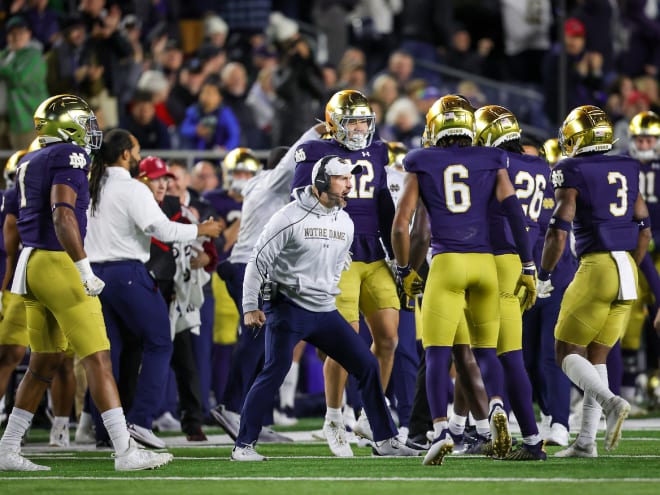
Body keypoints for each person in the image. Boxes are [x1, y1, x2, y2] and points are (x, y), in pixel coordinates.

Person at [0, 94, 172, 471]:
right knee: (98, 358)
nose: (93, 131)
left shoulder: (29, 159)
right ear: (69, 126)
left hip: (32, 264)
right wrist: (82, 267)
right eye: (87, 122)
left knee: (42, 362)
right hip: (59, 262)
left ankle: (8, 447)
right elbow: (64, 216)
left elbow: (15, 224)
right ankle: (126, 451)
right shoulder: (70, 156)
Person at [232, 155, 419, 461]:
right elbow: (258, 261)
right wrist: (251, 306)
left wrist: (328, 294)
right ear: (320, 182)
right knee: (274, 371)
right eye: (342, 179)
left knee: (368, 365)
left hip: (324, 310)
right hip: (289, 308)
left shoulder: (344, 221)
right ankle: (243, 445)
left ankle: (384, 439)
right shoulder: (288, 216)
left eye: (350, 178)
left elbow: (338, 265)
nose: (349, 184)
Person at [392, 95, 537, 466]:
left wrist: (405, 268)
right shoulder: (491, 158)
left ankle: (441, 430)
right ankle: (497, 408)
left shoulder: (421, 161)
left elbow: (403, 223)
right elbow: (514, 214)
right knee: (487, 352)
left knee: (438, 355)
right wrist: (529, 265)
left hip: (447, 262)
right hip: (486, 264)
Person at [84, 128, 223, 449]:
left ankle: (107, 432)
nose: (138, 155)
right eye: (136, 150)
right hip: (128, 272)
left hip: (94, 276)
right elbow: (158, 227)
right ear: (124, 154)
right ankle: (141, 421)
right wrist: (200, 228)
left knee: (109, 355)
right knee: (161, 342)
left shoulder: (90, 185)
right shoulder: (132, 188)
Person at [290, 90, 400, 456]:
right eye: (352, 121)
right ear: (335, 123)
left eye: (364, 121)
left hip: (374, 253)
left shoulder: (379, 150)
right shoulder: (315, 152)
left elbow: (384, 205)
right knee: (342, 342)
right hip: (337, 254)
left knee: (388, 338)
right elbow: (300, 203)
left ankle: (371, 414)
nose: (359, 128)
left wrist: (398, 256)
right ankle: (334, 417)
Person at [539, 105, 650, 457]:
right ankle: (586, 441)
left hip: (597, 264)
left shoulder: (571, 167)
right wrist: (630, 264)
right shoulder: (629, 165)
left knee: (565, 351)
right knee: (596, 356)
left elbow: (559, 230)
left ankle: (610, 401)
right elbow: (644, 227)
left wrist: (544, 273)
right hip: (627, 267)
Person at [468, 105, 548, 461]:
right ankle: (532, 442)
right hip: (522, 262)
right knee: (513, 355)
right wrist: (532, 267)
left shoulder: (494, 162)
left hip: (492, 258)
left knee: (485, 348)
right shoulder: (541, 165)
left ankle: (495, 408)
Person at [139, 156, 211, 442]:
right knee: (130, 358)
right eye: (158, 178)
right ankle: (127, 421)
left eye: (167, 179)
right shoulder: (135, 205)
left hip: (172, 293)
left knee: (184, 360)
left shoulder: (178, 208)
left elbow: (207, 250)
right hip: (142, 290)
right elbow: (163, 233)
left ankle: (191, 422)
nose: (165, 184)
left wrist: (207, 257)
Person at [522, 138, 576, 448]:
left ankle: (560, 421)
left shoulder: (558, 189)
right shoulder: (504, 188)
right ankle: (547, 413)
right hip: (522, 280)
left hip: (556, 279)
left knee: (550, 354)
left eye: (533, 160)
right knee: (527, 358)